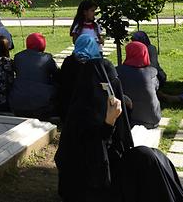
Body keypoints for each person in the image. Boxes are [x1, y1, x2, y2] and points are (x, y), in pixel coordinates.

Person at [54, 33, 133, 201]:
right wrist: (109, 122)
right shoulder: (84, 113)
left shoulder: (80, 103)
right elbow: (97, 150)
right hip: (88, 186)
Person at [10, 32, 58, 119]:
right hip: (41, 106)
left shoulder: (18, 57)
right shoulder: (47, 58)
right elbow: (57, 75)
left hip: (17, 105)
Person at [117, 41, 162, 128]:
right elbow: (156, 87)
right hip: (152, 119)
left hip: (127, 120)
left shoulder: (118, 72)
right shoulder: (152, 72)